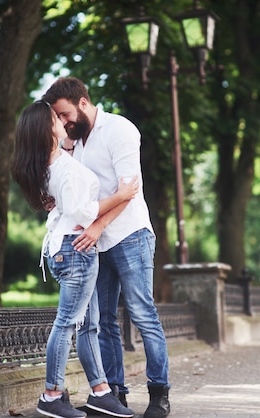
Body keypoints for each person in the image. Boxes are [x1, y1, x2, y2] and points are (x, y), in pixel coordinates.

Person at [43, 77, 171, 418]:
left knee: (143, 315)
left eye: (65, 113)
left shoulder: (119, 130)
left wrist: (97, 226)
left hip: (129, 235)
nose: (65, 121)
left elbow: (129, 189)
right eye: (59, 117)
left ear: (82, 102)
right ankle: (114, 394)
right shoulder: (75, 141)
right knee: (103, 323)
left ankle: (159, 394)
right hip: (93, 244)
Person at [11, 100, 138, 418]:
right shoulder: (64, 169)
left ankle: (100, 392)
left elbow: (67, 205)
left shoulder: (53, 163)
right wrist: (120, 196)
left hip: (68, 249)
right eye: (55, 118)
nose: (61, 120)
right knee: (68, 322)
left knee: (89, 325)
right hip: (76, 250)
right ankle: (52, 394)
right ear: (46, 129)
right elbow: (83, 212)